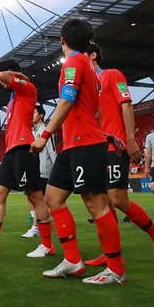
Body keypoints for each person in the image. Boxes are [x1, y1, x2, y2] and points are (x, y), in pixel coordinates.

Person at [31, 18, 127, 285]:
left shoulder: (74, 62)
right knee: (52, 198)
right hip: (74, 143)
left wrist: (46, 134)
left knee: (96, 204)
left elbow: (69, 98)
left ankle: (116, 270)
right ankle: (73, 260)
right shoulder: (85, 64)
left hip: (85, 142)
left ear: (62, 39)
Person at [82, 43, 154, 269]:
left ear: (92, 55)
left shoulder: (112, 75)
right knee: (102, 202)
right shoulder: (88, 86)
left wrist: (130, 138)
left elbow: (127, 106)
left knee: (118, 199)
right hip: (97, 148)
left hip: (117, 145)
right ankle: (111, 253)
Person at [0, 60, 52, 259]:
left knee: (35, 197)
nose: (0, 83)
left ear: (12, 72)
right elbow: (2, 78)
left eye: (4, 76)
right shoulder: (13, 97)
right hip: (11, 151)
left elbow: (2, 76)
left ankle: (47, 245)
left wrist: (15, 75)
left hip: (24, 149)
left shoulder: (27, 88)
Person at [22, 105, 57, 239]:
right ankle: (42, 222)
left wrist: (56, 171)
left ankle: (36, 228)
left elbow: (52, 152)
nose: (32, 115)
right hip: (35, 170)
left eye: (34, 113)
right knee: (39, 200)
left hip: (44, 171)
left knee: (39, 200)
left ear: (41, 115)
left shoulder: (46, 131)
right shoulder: (34, 132)